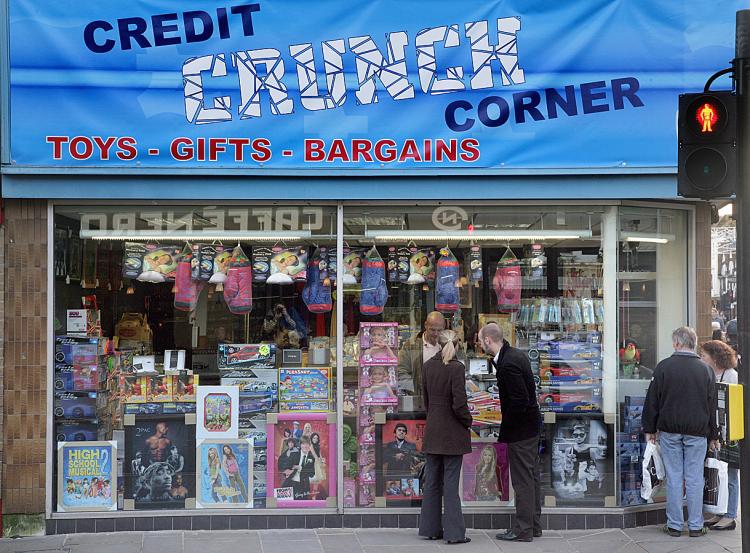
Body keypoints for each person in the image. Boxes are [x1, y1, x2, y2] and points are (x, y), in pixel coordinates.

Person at [642, 327, 719, 538]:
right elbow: (712, 406)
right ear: (693, 343)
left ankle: (674, 525)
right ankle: (695, 525)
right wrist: (714, 435)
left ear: (677, 343)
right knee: (695, 478)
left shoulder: (663, 367)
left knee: (674, 477)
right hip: (697, 432)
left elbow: (652, 402)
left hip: (670, 431)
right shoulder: (705, 370)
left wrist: (650, 429)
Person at [479, 323, 542, 542]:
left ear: (488, 340)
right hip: (529, 427)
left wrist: (505, 430)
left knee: (523, 480)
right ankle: (533, 525)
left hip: (522, 431)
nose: (479, 344)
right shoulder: (514, 355)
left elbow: (519, 400)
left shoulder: (508, 363)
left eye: (480, 340)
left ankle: (524, 529)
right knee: (531, 477)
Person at [418, 329, 473, 545]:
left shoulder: (428, 365)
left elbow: (427, 399)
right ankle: (454, 533)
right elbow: (459, 403)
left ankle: (430, 528)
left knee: (432, 481)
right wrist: (468, 421)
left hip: (434, 428)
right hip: (452, 431)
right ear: (457, 344)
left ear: (438, 343)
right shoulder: (457, 368)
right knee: (450, 483)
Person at [700, 340, 739, 531]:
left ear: (714, 357)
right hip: (714, 431)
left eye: (704, 355)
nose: (701, 358)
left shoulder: (731, 375)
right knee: (717, 474)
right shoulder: (707, 373)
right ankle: (720, 511)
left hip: (727, 433)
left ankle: (730, 515)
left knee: (730, 474)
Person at [397, 311, 445, 406]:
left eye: (439, 330)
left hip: (443, 401)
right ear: (425, 325)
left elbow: (461, 367)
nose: (436, 334)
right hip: (419, 401)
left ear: (444, 327)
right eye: (432, 330)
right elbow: (400, 370)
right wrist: (413, 392)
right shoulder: (410, 345)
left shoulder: (448, 344)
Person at [281, 435, 317, 500]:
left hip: (304, 486)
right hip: (291, 484)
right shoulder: (294, 455)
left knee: (303, 506)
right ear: (300, 445)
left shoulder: (311, 458)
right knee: (289, 506)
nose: (305, 446)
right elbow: (285, 468)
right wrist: (289, 471)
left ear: (309, 445)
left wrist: (300, 468)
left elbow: (312, 474)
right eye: (303, 444)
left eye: (307, 444)